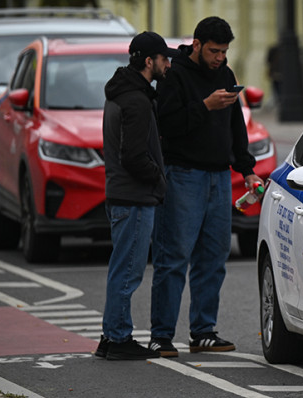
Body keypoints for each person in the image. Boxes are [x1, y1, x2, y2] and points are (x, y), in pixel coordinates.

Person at [150, 16, 264, 357]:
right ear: (196, 45)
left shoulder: (226, 75)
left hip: (219, 177)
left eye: (224, 51)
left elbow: (236, 127)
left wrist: (247, 170)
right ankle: (161, 335)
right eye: (214, 51)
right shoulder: (175, 76)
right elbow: (166, 126)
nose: (219, 58)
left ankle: (203, 331)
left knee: (213, 257)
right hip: (184, 174)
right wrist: (204, 106)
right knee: (173, 257)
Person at [96, 31, 177, 360]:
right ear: (149, 61)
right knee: (128, 271)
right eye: (163, 59)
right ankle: (117, 338)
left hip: (123, 194)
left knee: (121, 268)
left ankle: (110, 336)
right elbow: (133, 156)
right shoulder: (136, 100)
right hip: (134, 197)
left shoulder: (123, 92)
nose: (168, 64)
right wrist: (159, 181)